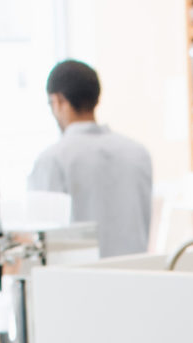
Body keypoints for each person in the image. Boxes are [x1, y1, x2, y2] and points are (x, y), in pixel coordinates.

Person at [28, 60, 153, 257]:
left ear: (58, 101)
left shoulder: (52, 160)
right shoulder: (138, 154)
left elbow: (41, 243)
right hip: (136, 279)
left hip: (79, 283)